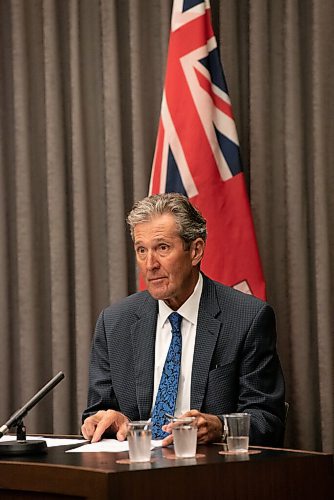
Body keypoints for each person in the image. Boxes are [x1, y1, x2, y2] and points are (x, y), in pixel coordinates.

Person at [81, 193, 285, 446]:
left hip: (213, 475)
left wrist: (220, 427)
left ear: (196, 251)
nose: (150, 264)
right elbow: (98, 411)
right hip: (134, 474)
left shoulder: (247, 318)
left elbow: (267, 419)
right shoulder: (114, 323)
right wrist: (106, 421)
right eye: (141, 250)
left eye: (162, 248)